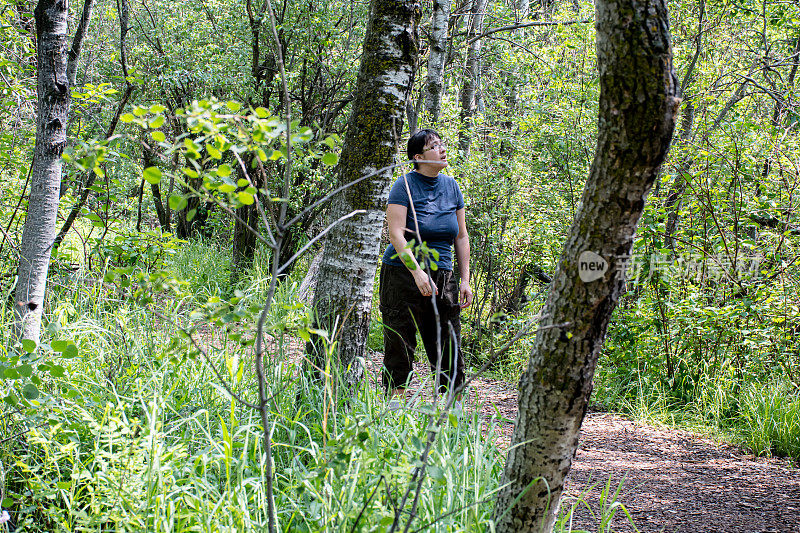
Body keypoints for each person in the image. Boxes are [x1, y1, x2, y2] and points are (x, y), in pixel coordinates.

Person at [379, 128, 472, 409]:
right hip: (402, 273)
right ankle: (394, 412)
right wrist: (417, 271)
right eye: (434, 146)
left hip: (443, 275)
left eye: (442, 144)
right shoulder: (404, 185)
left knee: (448, 341)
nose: (442, 149)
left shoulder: (452, 186)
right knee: (400, 342)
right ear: (418, 157)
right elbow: (395, 233)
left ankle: (453, 413)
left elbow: (461, 236)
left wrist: (465, 279)